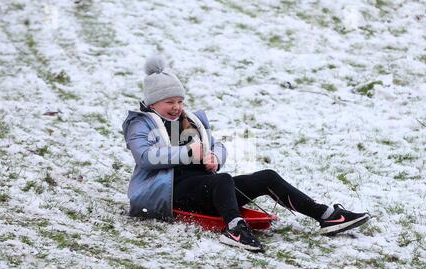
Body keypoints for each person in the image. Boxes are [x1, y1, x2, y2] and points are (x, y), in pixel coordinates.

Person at [122, 55, 370, 252]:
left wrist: (215, 158)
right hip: (168, 192)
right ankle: (234, 228)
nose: (176, 107)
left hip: (207, 187)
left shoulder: (191, 120)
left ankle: (326, 216)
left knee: (267, 176)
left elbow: (216, 145)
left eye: (179, 101)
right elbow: (145, 157)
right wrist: (187, 153)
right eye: (169, 102)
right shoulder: (141, 124)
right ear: (153, 103)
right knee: (223, 180)